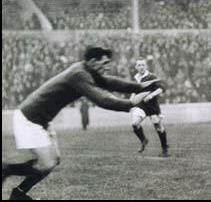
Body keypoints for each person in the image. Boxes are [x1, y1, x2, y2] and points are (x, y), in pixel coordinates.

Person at [2, 46, 160, 200]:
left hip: (42, 120)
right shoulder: (79, 74)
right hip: (30, 119)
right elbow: (102, 99)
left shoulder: (86, 70)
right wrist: (130, 104)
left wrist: (139, 86)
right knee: (47, 164)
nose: (108, 67)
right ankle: (7, 171)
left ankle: (18, 193)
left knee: (53, 161)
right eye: (104, 63)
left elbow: (110, 83)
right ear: (92, 62)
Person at [130, 58, 169, 157]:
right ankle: (144, 140)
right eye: (139, 65)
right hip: (141, 105)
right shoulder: (135, 78)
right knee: (134, 123)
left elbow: (162, 88)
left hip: (152, 105)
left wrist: (151, 95)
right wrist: (131, 100)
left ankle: (164, 148)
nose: (141, 67)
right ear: (136, 67)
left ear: (146, 66)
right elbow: (134, 90)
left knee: (158, 126)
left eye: (143, 65)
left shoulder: (151, 76)